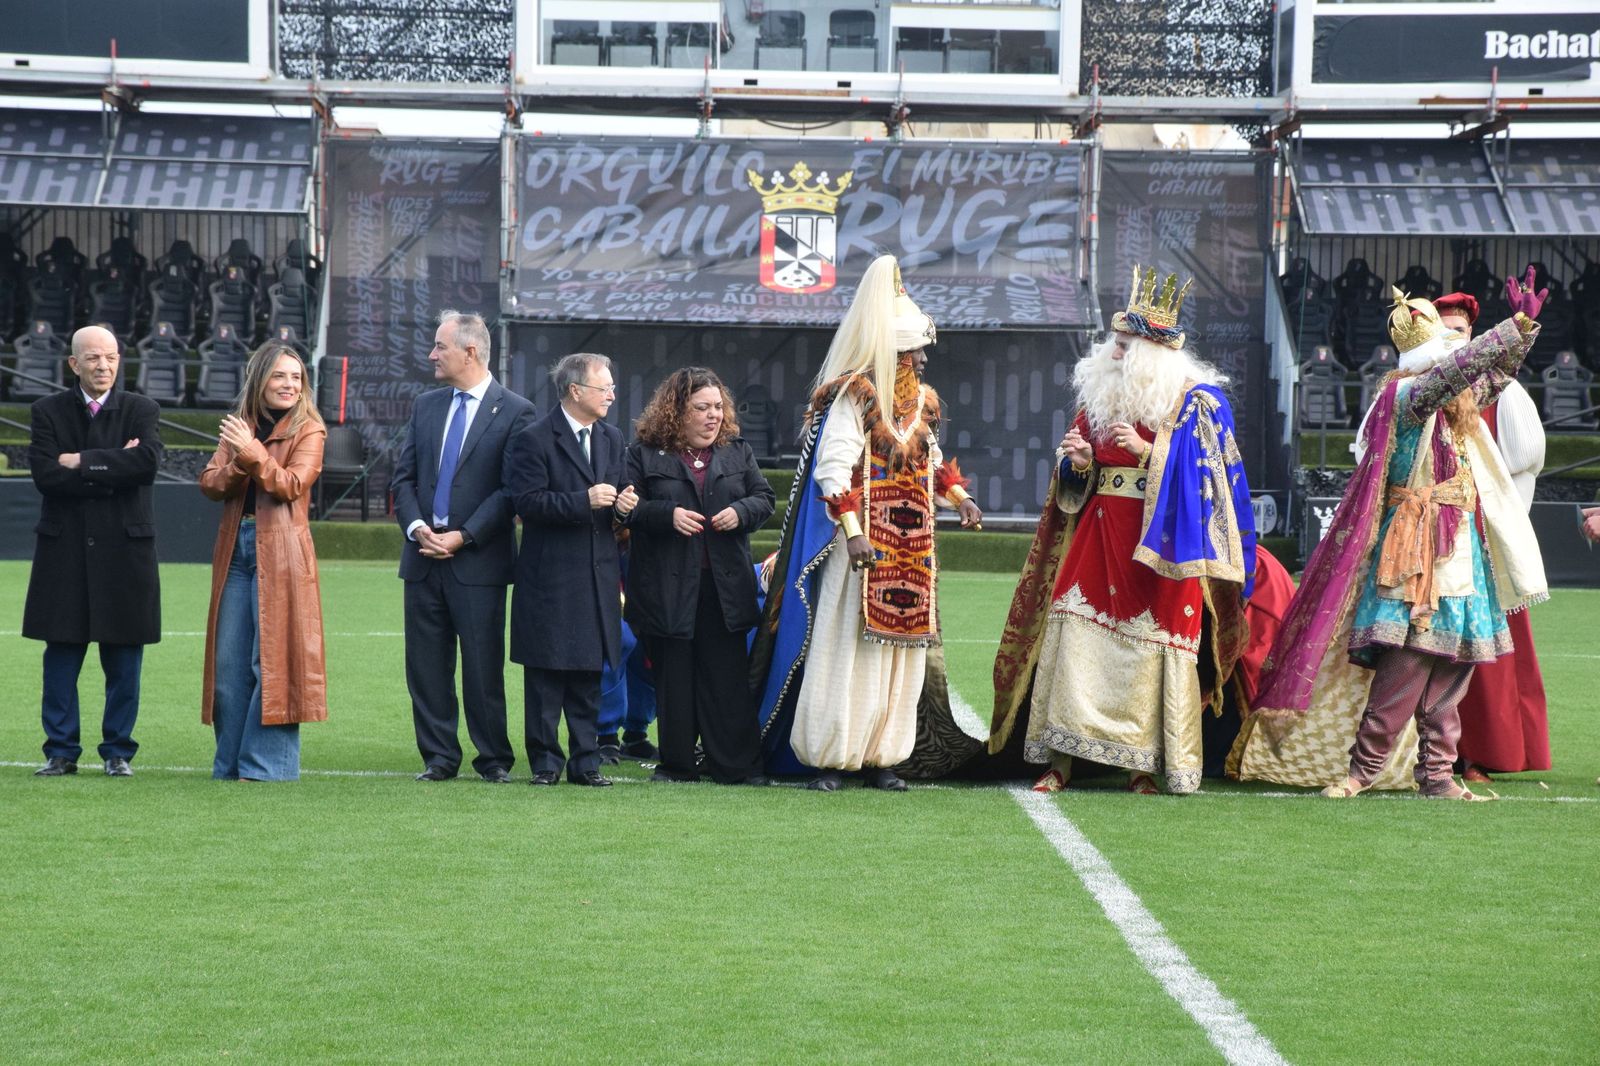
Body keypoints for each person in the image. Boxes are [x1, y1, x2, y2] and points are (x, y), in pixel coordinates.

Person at [1236, 280, 1547, 800]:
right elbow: (1463, 371)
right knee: (1406, 663)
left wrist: (1526, 334)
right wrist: (1510, 328)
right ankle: (1363, 771)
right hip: (1414, 546)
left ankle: (1438, 775)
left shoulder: (1451, 400)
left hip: (1460, 546)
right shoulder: (1409, 394)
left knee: (1454, 665)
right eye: (1447, 344)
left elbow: (1491, 378)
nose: (1456, 355)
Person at [988, 265, 1255, 796]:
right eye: (1114, 342)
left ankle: (1143, 767)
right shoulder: (1097, 401)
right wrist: (1081, 463)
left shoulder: (1197, 402)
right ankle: (1061, 762)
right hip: (1098, 535)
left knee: (1149, 652)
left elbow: (1215, 481)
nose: (1112, 355)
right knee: (1074, 638)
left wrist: (1147, 452)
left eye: (1125, 346)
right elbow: (1072, 488)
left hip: (1163, 549)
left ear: (1154, 355)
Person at [751, 254, 983, 792]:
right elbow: (833, 469)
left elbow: (931, 458)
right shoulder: (855, 395)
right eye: (915, 350)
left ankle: (884, 756)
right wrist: (854, 536)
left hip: (912, 552)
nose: (924, 359)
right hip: (858, 551)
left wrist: (959, 497)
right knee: (843, 652)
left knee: (899, 659)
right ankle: (831, 758)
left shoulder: (924, 404)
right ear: (895, 353)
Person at [392, 310, 536, 783]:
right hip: (422, 559)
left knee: (481, 667)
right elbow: (404, 478)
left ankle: (493, 758)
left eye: (440, 346)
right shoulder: (425, 406)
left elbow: (510, 490)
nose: (432, 354)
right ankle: (439, 757)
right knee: (426, 668)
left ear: (470, 351)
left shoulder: (516, 410)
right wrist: (417, 528)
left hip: (478, 563)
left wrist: (464, 535)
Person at [620, 367, 775, 784]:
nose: (714, 416)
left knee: (727, 680)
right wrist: (665, 514)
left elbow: (764, 498)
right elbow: (626, 508)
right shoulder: (643, 453)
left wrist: (740, 512)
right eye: (702, 408)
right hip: (667, 588)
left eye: (718, 407)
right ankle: (677, 766)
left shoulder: (737, 451)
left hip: (725, 588)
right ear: (677, 412)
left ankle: (737, 766)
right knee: (674, 679)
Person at [23, 325, 163, 777]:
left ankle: (118, 750)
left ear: (120, 360)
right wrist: (112, 465)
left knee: (124, 656)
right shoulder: (46, 411)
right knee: (61, 654)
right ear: (73, 364)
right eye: (93, 358)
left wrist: (81, 460)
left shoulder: (143, 409)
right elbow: (46, 476)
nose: (103, 366)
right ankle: (61, 751)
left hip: (125, 553)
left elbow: (146, 465)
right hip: (63, 553)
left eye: (111, 357)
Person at [1434, 287, 1552, 783]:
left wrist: (1488, 490)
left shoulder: (1488, 388)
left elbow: (1527, 452)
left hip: (1477, 534)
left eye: (1458, 331)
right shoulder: (1414, 386)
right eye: (1440, 330)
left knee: (1484, 644)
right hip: (1426, 532)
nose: (1449, 339)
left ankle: (1483, 750)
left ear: (1473, 336)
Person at [198, 343, 328, 780]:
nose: (290, 384)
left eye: (296, 377)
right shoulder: (240, 427)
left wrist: (250, 453)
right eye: (279, 376)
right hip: (236, 548)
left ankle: (266, 767)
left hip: (284, 553)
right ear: (260, 380)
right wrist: (242, 456)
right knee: (229, 668)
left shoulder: (310, 429)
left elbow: (291, 485)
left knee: (272, 663)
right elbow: (212, 485)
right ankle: (230, 765)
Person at [508, 352, 636, 787]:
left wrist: (623, 507)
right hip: (549, 577)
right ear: (575, 391)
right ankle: (546, 763)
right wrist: (583, 501)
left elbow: (614, 503)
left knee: (587, 673)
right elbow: (526, 502)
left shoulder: (613, 438)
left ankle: (587, 762)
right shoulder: (534, 438)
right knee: (545, 675)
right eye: (605, 388)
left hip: (598, 577)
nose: (612, 396)